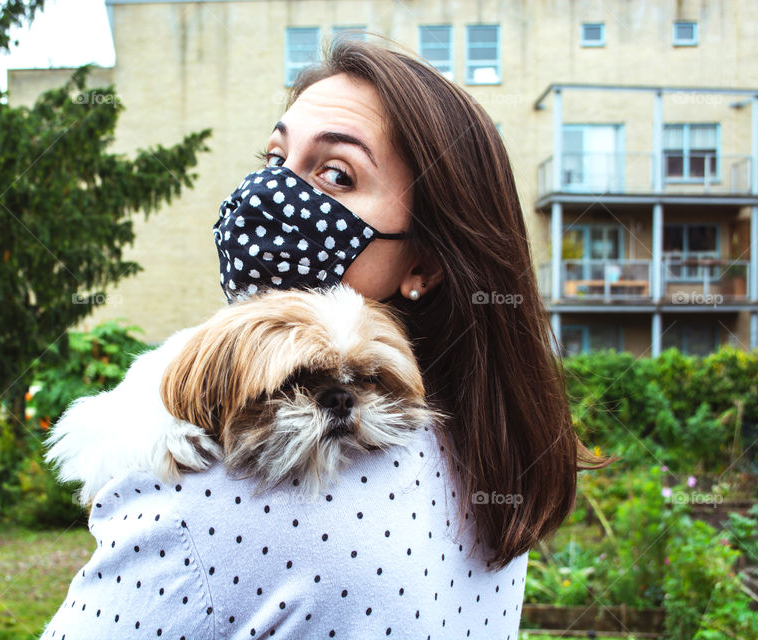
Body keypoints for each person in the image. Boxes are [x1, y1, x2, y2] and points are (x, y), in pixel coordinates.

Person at [40, 37, 603, 640]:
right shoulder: (489, 454)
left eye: (336, 174)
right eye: (275, 158)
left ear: (425, 265)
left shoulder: (212, 500)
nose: (273, 196)